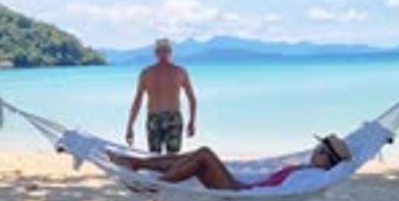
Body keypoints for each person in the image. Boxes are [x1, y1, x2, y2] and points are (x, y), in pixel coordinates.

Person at [109, 133, 352, 192]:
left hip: (242, 193)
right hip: (244, 186)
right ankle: (136, 163)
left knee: (204, 154)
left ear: (325, 159)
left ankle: (152, 185)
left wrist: (248, 192)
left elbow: (280, 192)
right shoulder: (309, 170)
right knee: (195, 157)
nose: (314, 151)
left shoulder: (313, 177)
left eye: (319, 150)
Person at [124, 37, 197, 153]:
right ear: (171, 52)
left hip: (154, 118)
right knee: (172, 158)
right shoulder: (180, 72)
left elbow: (137, 102)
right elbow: (192, 99)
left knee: (155, 158)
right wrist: (192, 122)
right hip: (173, 118)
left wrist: (130, 126)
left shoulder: (146, 73)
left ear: (155, 53)